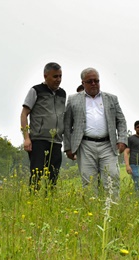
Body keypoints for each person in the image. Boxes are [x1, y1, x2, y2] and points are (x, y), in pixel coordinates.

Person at [64, 67, 127, 200]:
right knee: (89, 181)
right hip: (85, 145)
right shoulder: (73, 99)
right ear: (83, 83)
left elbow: (121, 121)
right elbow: (67, 125)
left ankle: (113, 211)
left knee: (112, 178)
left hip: (108, 145)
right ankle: (93, 212)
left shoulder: (111, 99)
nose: (94, 84)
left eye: (96, 81)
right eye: (90, 81)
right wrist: (68, 147)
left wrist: (122, 139)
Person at [20, 62, 66, 191]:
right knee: (36, 175)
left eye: (60, 76)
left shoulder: (62, 94)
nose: (58, 80)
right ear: (46, 76)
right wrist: (26, 138)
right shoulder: (36, 90)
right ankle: (33, 204)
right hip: (38, 140)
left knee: (54, 176)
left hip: (56, 141)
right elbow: (24, 114)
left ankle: (49, 204)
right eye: (55, 76)